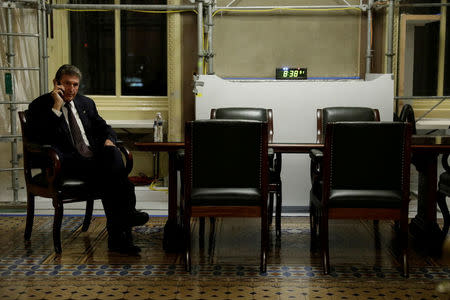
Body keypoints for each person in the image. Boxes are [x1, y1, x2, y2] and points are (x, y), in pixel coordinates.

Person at [28, 64, 149, 254]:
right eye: (67, 84)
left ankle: (120, 236)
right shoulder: (40, 105)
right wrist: (57, 107)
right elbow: (40, 138)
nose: (71, 89)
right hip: (65, 164)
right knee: (120, 182)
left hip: (91, 160)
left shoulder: (86, 104)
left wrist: (109, 140)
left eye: (75, 85)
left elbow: (105, 127)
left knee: (112, 157)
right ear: (56, 83)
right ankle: (123, 226)